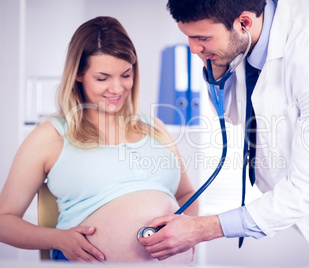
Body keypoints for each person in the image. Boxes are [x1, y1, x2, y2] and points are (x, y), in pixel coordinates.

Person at [139, 0, 309, 264]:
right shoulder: (248, 38)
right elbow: (236, 115)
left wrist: (200, 229)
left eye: (202, 38)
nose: (193, 49)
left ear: (243, 22)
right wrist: (217, 62)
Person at [0, 16, 198, 264]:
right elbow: (3, 220)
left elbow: (187, 194)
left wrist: (188, 231)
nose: (116, 89)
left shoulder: (154, 127)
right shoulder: (51, 135)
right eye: (102, 78)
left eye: (126, 75)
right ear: (79, 75)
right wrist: (57, 239)